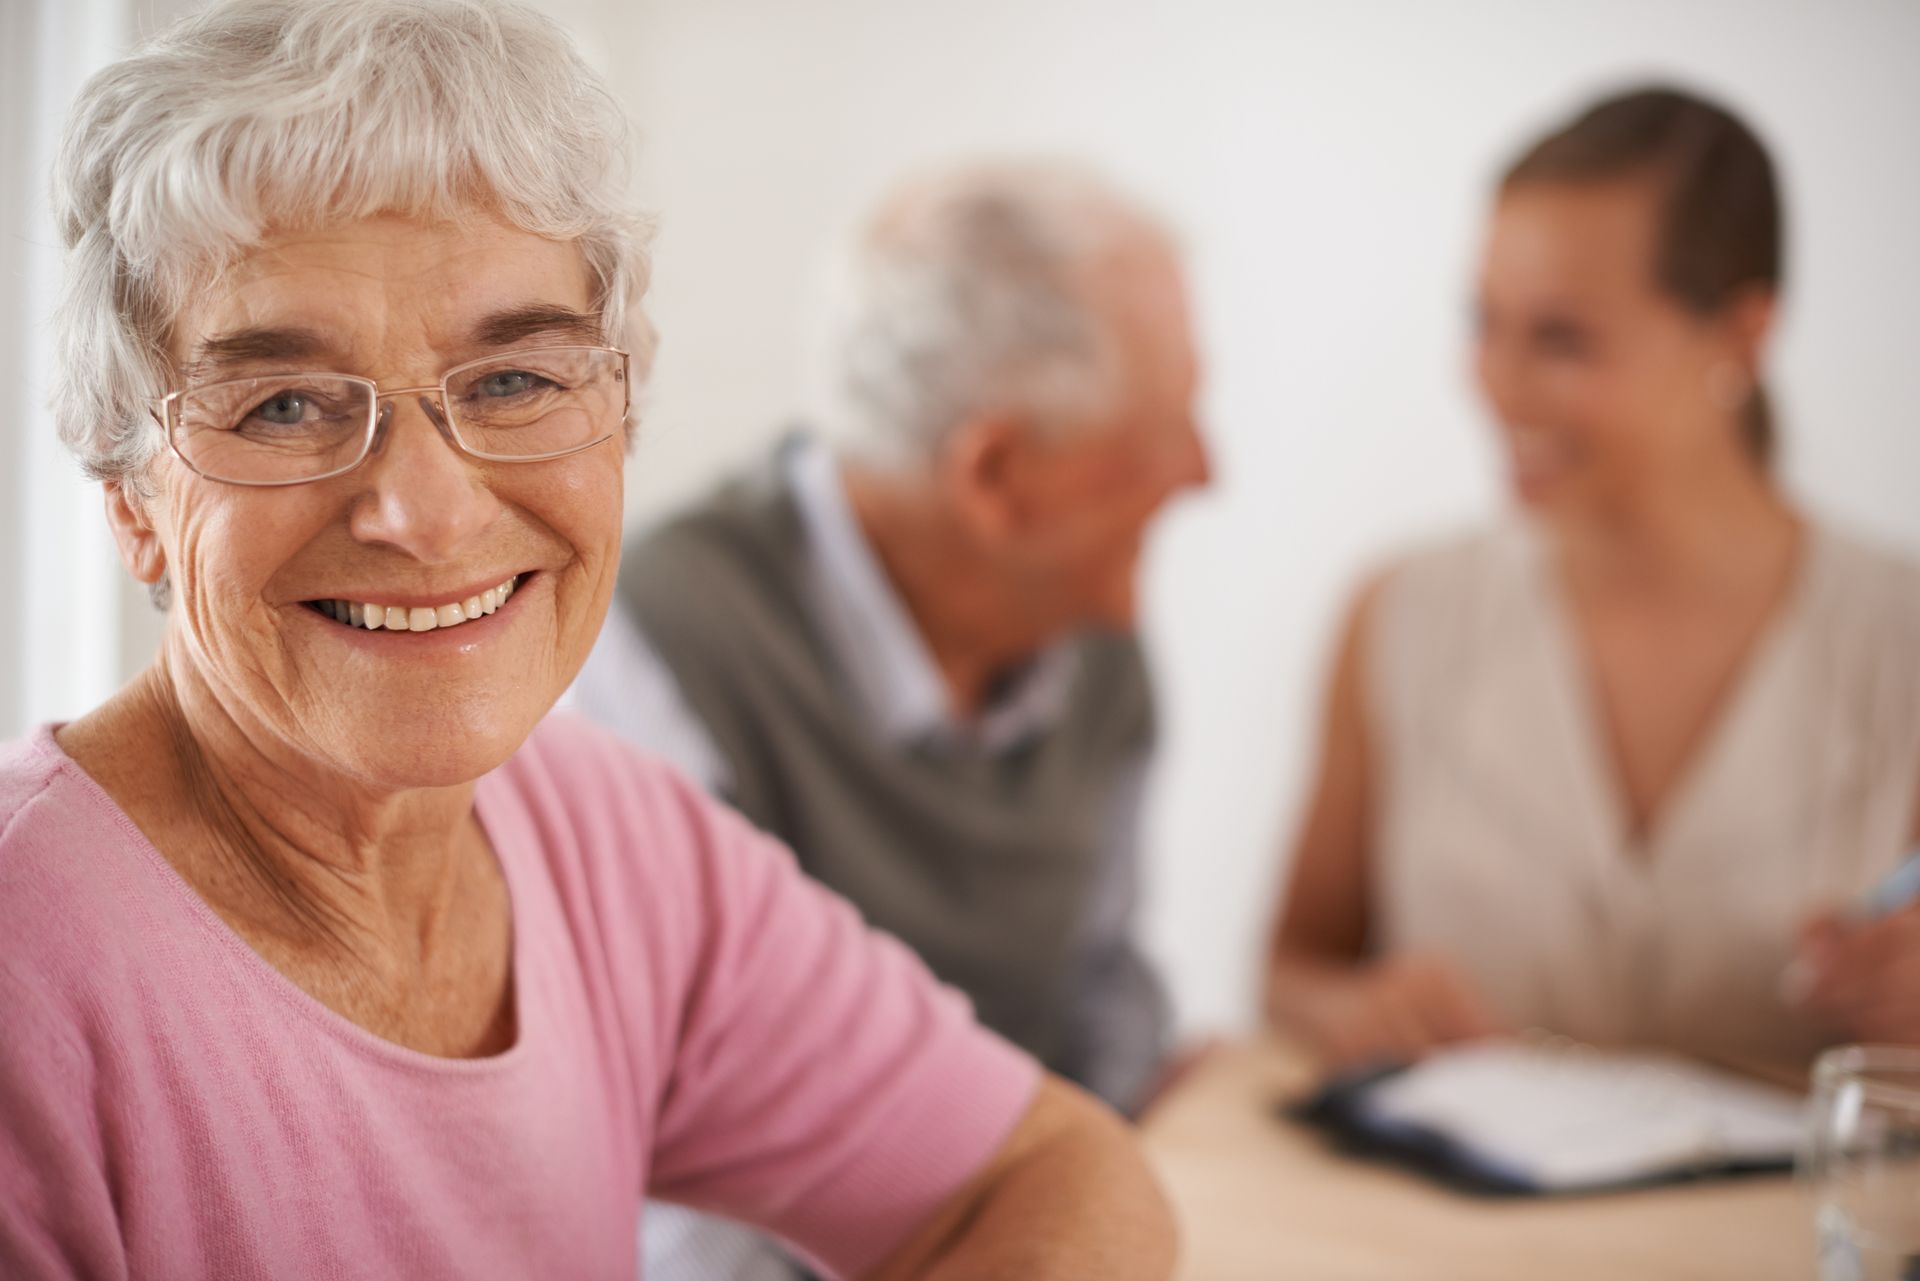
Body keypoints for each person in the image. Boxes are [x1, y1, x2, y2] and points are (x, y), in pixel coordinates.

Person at [0, 3, 1179, 1278]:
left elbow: (1050, 1168)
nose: (429, 514)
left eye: (514, 381)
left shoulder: (611, 844)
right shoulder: (29, 982)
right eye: (284, 404)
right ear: (130, 499)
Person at [570, 161, 1210, 1280]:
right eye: (1164, 429)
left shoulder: (1100, 647)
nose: (1205, 471)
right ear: (999, 476)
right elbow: (672, 1175)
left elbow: (1098, 990)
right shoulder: (660, 642)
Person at [1263, 86, 1920, 1073]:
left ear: (1742, 335)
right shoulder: (1399, 612)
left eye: (1562, 338)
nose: (1497, 383)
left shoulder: (1896, 642)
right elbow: (1290, 965)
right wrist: (1353, 1007)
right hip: (1436, 1222)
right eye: (1483, 322)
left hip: (1769, 1231)